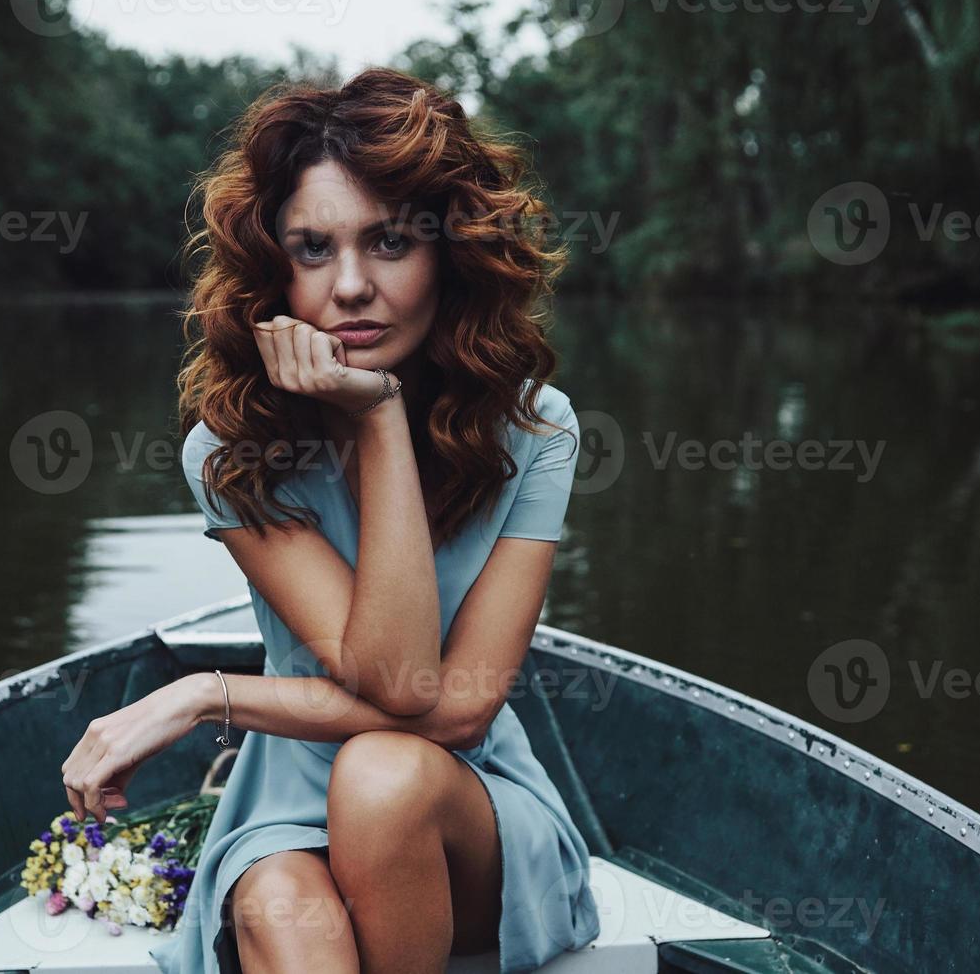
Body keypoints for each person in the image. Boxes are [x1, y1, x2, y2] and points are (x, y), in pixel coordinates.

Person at [60, 67, 600, 974]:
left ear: (450, 256)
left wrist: (204, 695)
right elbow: (391, 677)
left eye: (389, 242)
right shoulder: (229, 453)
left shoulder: (537, 430)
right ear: (275, 270)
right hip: (287, 804)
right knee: (281, 910)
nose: (350, 286)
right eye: (313, 249)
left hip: (460, 804)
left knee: (382, 778)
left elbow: (442, 707)